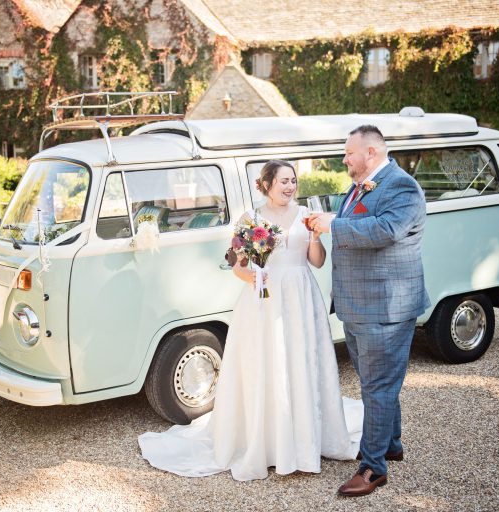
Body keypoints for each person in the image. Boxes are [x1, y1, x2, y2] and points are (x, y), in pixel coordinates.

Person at [138, 160, 361, 481]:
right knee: (268, 365)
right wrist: (255, 278)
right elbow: (239, 266)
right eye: (283, 181)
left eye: (293, 181)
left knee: (302, 363)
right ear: (267, 184)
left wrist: (314, 236)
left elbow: (318, 261)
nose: (289, 186)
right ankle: (269, 443)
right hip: (263, 302)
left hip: (301, 296)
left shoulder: (305, 216)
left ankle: (306, 439)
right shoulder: (251, 219)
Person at [308, 125, 430, 496]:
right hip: (357, 304)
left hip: (385, 307)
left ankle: (373, 468)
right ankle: (391, 444)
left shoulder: (402, 186)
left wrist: (335, 224)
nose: (344, 159)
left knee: (377, 387)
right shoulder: (359, 185)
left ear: (371, 153)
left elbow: (387, 230)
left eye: (349, 153)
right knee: (375, 384)